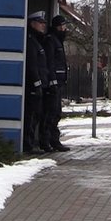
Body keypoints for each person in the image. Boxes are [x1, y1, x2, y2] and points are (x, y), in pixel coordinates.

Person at [40, 14, 70, 152]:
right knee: (51, 112)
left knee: (56, 112)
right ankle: (47, 141)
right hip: (54, 83)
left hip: (58, 82)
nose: (65, 29)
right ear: (59, 26)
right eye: (64, 26)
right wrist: (52, 81)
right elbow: (50, 63)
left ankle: (53, 140)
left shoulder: (57, 40)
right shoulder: (51, 41)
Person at [23, 11, 50, 154]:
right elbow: (32, 65)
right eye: (40, 23)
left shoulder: (37, 41)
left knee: (37, 114)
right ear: (32, 24)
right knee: (31, 115)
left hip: (39, 85)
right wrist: (37, 83)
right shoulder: (31, 42)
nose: (43, 25)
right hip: (33, 86)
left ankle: (31, 142)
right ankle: (28, 144)